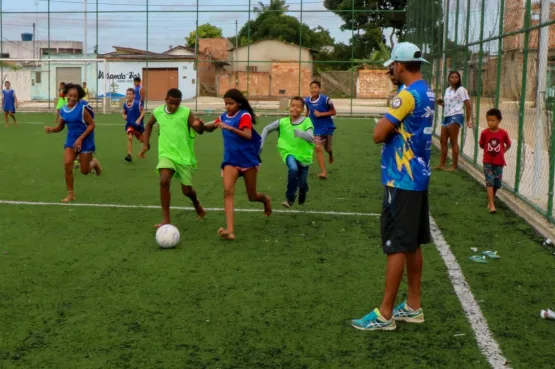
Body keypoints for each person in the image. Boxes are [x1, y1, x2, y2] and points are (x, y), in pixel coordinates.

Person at [352, 42, 434, 331]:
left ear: (399, 65)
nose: (391, 70)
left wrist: (388, 126)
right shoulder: (428, 91)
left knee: (397, 244)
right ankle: (413, 305)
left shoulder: (407, 95)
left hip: (401, 179)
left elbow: (378, 134)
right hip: (418, 177)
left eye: (393, 66)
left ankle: (385, 313)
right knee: (411, 243)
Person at [203, 88, 272, 240]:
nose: (228, 106)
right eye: (226, 103)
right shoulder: (222, 117)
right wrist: (200, 125)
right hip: (231, 161)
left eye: (231, 103)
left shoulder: (244, 115)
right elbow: (211, 127)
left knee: (252, 196)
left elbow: (247, 135)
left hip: (248, 160)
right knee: (227, 191)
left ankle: (265, 199)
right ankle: (230, 230)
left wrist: (231, 128)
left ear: (239, 104)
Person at [139, 88, 205, 228]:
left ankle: (196, 202)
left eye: (177, 104)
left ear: (180, 102)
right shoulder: (158, 112)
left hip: (183, 156)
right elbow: (149, 124)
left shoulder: (186, 112)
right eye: (171, 103)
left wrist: (199, 126)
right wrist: (146, 144)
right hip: (166, 154)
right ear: (166, 100)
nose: (174, 106)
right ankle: (166, 219)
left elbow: (199, 131)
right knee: (163, 181)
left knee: (187, 190)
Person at [45, 83, 102, 202]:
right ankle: (71, 194)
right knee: (67, 164)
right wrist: (52, 129)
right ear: (66, 95)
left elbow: (92, 125)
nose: (72, 98)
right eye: (70, 95)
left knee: (84, 171)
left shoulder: (82, 109)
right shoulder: (63, 110)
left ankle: (94, 163)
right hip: (71, 140)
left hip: (85, 139)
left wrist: (81, 138)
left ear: (78, 97)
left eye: (75, 96)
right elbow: (61, 127)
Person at [260, 96, 315, 208]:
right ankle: (289, 199)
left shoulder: (307, 121)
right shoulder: (282, 122)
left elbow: (311, 137)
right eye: (293, 106)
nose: (295, 108)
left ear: (303, 109)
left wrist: (300, 133)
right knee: (293, 169)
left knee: (302, 183)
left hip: (304, 156)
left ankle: (303, 191)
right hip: (288, 152)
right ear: (289, 107)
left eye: (298, 106)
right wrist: (260, 145)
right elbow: (267, 129)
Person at [435, 71, 473, 171]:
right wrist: (441, 103)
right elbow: (448, 104)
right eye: (452, 77)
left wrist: (468, 120)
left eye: (456, 77)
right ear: (449, 78)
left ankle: (454, 166)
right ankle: (442, 164)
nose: (454, 79)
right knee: (443, 141)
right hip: (446, 116)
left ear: (459, 79)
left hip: (456, 116)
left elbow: (468, 104)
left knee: (453, 141)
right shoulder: (447, 90)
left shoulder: (461, 90)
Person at [479, 108, 511, 214]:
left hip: (499, 163)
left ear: (499, 120)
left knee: (497, 184)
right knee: (490, 181)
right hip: (487, 161)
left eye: (492, 120)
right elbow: (481, 144)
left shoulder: (503, 133)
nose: (490, 123)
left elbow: (509, 144)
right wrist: (489, 151)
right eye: (488, 120)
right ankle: (492, 204)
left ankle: (491, 197)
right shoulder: (485, 133)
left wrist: (502, 152)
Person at [305, 80, 336, 179]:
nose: (313, 89)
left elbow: (333, 112)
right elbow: (308, 110)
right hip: (316, 129)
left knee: (327, 148)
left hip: (327, 128)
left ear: (319, 89)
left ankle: (330, 153)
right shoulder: (307, 100)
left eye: (315, 87)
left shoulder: (326, 100)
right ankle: (323, 172)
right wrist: (304, 121)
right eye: (312, 87)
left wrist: (321, 114)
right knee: (318, 147)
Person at [123, 88, 146, 162]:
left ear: (134, 95)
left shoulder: (137, 104)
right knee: (129, 137)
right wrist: (124, 116)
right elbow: (124, 113)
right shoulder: (125, 105)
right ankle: (129, 155)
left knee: (142, 141)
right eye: (127, 94)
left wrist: (139, 119)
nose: (128, 95)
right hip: (130, 125)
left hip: (138, 126)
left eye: (130, 94)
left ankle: (143, 152)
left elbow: (143, 112)